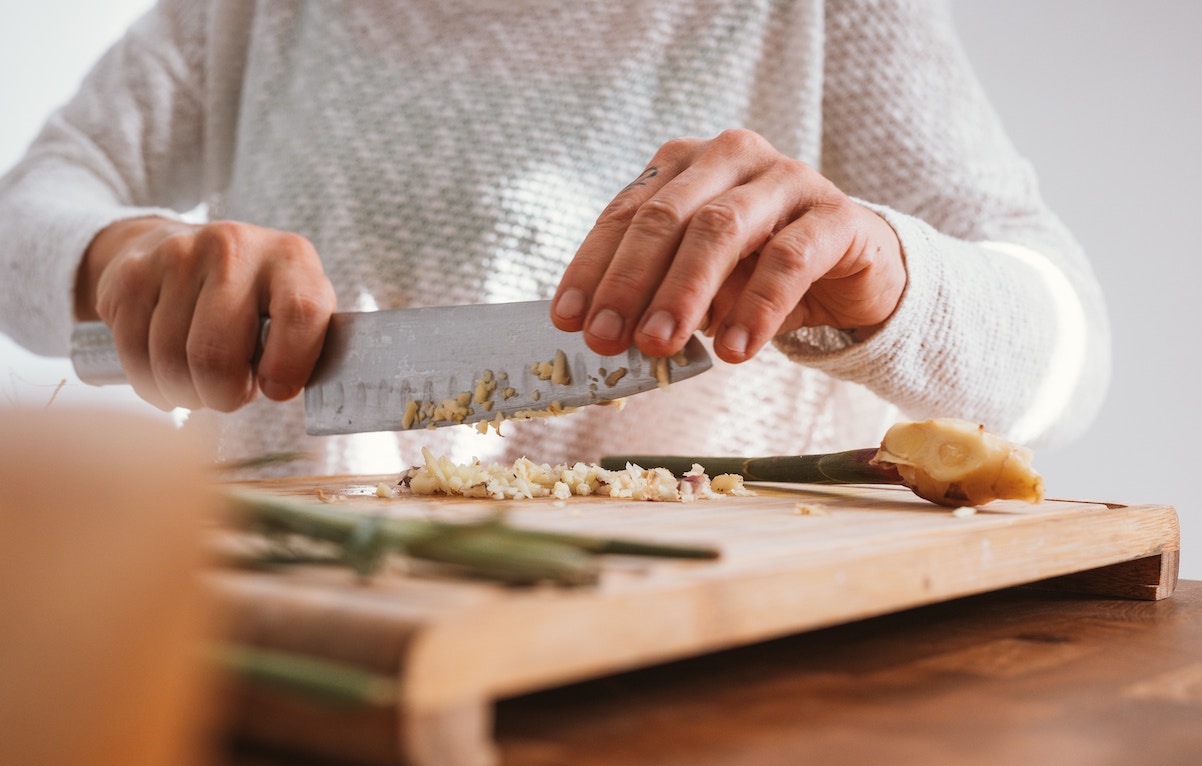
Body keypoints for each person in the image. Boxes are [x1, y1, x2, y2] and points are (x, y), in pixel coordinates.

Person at [0, 0, 1110, 477]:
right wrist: (116, 257)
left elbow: (1070, 355)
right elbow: (29, 205)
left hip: (707, 676)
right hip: (291, 645)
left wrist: (894, 279)